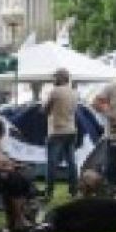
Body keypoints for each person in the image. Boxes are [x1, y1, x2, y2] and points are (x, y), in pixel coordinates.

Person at [43, 68, 79, 198]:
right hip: (71, 130)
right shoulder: (75, 93)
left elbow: (46, 110)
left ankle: (49, 192)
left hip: (56, 131)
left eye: (55, 77)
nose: (54, 79)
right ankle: (73, 191)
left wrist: (44, 108)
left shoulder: (55, 92)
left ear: (61, 78)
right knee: (71, 162)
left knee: (52, 163)